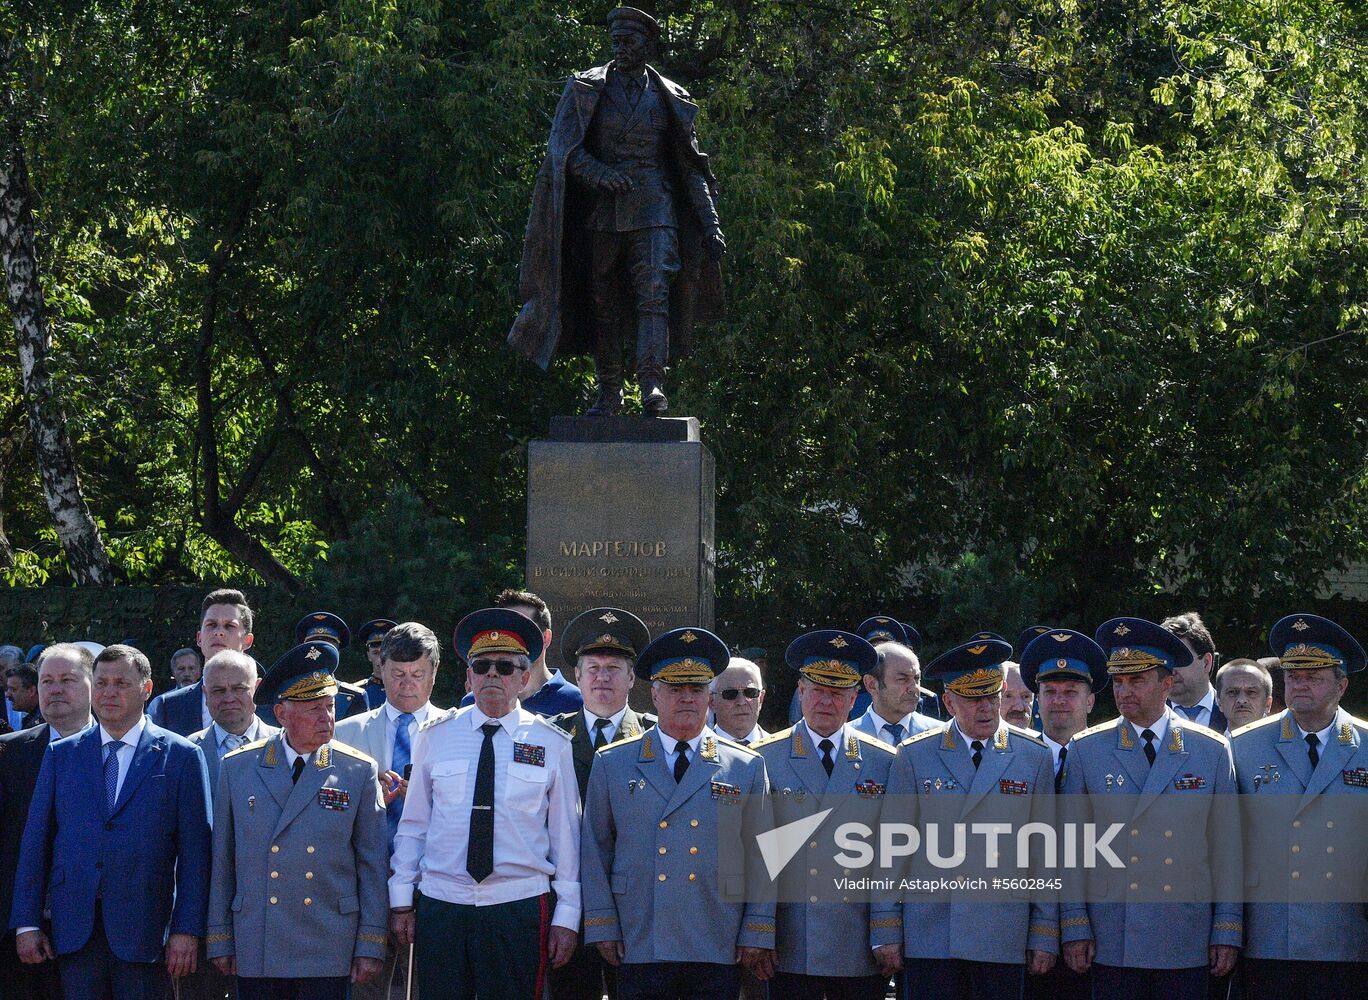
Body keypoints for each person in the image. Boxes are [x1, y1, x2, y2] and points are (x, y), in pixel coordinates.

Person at [509, 5, 726, 416]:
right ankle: (609, 392)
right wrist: (599, 174)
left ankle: (651, 384)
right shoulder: (586, 89)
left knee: (654, 298)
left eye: (629, 41)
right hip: (604, 214)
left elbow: (690, 167)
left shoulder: (670, 98)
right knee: (603, 303)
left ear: (648, 45)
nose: (620, 48)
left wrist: (710, 223)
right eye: (616, 41)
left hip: (655, 210)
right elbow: (564, 153)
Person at [389, 608, 581, 998]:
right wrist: (401, 900)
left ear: (524, 678)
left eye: (505, 667)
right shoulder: (435, 737)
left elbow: (566, 837)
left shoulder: (552, 743)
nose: (493, 674)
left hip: (518, 905)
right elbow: (414, 826)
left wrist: (567, 916)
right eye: (482, 665)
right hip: (444, 903)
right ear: (469, 676)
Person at [581, 627, 775, 999]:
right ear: (654, 694)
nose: (687, 698)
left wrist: (757, 927)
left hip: (716, 930)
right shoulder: (614, 762)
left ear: (710, 697)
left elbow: (762, 856)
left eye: (697, 689)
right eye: (675, 689)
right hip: (641, 932)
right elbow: (595, 850)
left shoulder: (746, 767)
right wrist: (602, 923)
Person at [12, 644, 212, 1000]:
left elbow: (197, 853)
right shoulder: (63, 754)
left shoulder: (181, 756)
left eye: (121, 683)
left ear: (146, 689)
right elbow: (36, 842)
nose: (108, 693)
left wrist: (187, 930)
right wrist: (26, 922)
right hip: (75, 930)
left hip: (148, 932)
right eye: (101, 683)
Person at [1060, 618, 1242, 1000]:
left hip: (1184, 933)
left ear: (1167, 683)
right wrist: (1075, 924)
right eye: (1119, 681)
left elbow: (1227, 849)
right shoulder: (1087, 749)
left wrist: (1227, 927)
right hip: (1113, 933)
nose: (1124, 692)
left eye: (1137, 681)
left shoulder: (1209, 749)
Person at [207, 640, 388, 1000]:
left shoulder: (357, 770)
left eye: (330, 706)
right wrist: (220, 935)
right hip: (259, 936)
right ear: (282, 713)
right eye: (313, 709)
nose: (327, 718)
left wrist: (371, 940)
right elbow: (223, 859)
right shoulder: (239, 767)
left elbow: (372, 862)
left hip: (327, 936)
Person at [887, 636, 1057, 998]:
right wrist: (886, 929)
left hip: (1002, 932)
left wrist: (1044, 929)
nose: (985, 708)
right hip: (932, 934)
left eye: (992, 696)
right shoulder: (915, 756)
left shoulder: (1033, 756)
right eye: (972, 698)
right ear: (949, 701)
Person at [755, 629, 901, 998]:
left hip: (858, 940)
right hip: (790, 939)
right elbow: (753, 855)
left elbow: (893, 855)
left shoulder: (884, 761)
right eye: (818, 690)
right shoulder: (763, 758)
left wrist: (886, 930)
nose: (826, 701)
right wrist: (759, 930)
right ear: (801, 692)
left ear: (854, 699)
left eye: (837, 693)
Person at [1231, 614, 1368, 998]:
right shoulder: (1244, 747)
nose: (1300, 684)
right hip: (1271, 936)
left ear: (1341, 685)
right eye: (1293, 675)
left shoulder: (1365, 745)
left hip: (1347, 936)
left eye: (1313, 676)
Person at [550, 607, 657, 1000]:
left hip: (632, 901)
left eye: (614, 667)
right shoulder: (552, 737)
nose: (602, 677)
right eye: (592, 667)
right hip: (567, 900)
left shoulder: (653, 739)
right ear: (576, 676)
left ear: (632, 677)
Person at [334, 621, 443, 1000]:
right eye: (397, 673)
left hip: (436, 888)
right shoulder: (345, 733)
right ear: (381, 670)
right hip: (366, 888)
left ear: (433, 674)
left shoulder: (456, 731)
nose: (406, 683)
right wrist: (371, 799)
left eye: (417, 674)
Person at [183, 650, 279, 1000]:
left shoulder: (286, 749)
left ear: (258, 687)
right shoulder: (181, 753)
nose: (228, 698)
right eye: (217, 690)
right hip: (202, 909)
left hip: (268, 910)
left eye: (238, 688)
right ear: (204, 694)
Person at [0, 644, 94, 1000]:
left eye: (67, 680)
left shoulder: (121, 750)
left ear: (92, 684)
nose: (54, 689)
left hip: (100, 934)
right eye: (46, 680)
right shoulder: (8, 752)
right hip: (19, 936)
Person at [1018, 628, 1108, 1000]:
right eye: (1050, 692)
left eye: (1071, 692)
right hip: (1023, 933)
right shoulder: (1014, 760)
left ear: (1089, 701)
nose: (1059, 701)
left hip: (1099, 934)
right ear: (1036, 700)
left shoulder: (1111, 760)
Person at [458, 589, 585, 716]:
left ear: (546, 638)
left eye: (525, 630)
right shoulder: (473, 701)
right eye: (506, 632)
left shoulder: (575, 702)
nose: (513, 639)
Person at [152, 588, 256, 737]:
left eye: (229, 626)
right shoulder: (167, 707)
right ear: (199, 638)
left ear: (247, 640)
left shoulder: (270, 704)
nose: (218, 632)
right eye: (211, 625)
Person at [850, 640, 939, 746]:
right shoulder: (846, 738)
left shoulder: (939, 736)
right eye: (902, 679)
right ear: (871, 684)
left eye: (916, 678)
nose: (914, 688)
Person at [292, 611, 370, 720]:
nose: (319, 652)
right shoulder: (290, 695)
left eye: (327, 647)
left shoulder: (354, 697)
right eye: (313, 646)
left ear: (336, 652)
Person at [1161, 612, 1228, 733]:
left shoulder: (1234, 711)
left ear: (1206, 663)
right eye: (1164, 661)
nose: (1171, 670)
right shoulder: (1147, 717)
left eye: (1179, 660)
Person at [710, 656, 767, 745]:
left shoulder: (781, 751)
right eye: (730, 694)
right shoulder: (693, 755)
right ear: (712, 702)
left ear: (761, 699)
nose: (741, 702)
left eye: (750, 692)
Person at [1214, 658, 1273, 735]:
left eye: (1251, 692)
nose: (1242, 700)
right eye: (1232, 692)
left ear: (1268, 704)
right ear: (1219, 702)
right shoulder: (1207, 746)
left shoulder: (1288, 746)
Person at [355, 619, 397, 710]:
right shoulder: (357, 693)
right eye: (375, 653)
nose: (381, 659)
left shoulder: (406, 689)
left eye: (385, 653)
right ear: (369, 656)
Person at [6, 662, 42, 729]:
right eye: (8, 689)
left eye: (13, 689)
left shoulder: (45, 720)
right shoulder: (33, 718)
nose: (7, 694)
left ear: (31, 691)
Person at [1001, 661, 1035, 730]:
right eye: (1008, 696)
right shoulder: (979, 740)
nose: (1019, 708)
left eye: (1026, 696)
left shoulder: (1040, 740)